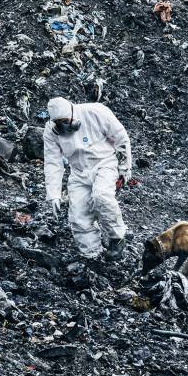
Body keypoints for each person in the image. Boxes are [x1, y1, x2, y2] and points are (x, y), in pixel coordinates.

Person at [44, 97, 132, 261]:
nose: (64, 125)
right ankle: (91, 255)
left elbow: (121, 137)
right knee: (78, 215)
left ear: (72, 112)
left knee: (101, 196)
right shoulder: (50, 131)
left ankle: (117, 238)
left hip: (104, 163)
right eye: (59, 123)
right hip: (78, 171)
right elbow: (52, 162)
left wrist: (124, 168)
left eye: (66, 121)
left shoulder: (95, 112)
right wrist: (53, 194)